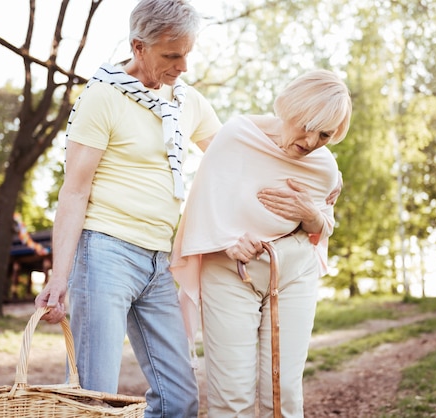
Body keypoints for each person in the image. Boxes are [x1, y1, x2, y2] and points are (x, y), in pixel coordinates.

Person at [34, 0, 222, 416]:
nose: (183, 66)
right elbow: (74, 191)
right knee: (93, 398)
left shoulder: (185, 101)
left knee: (180, 398)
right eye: (172, 56)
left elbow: (231, 156)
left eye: (187, 53)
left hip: (159, 260)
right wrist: (59, 275)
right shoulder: (102, 97)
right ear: (139, 47)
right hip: (105, 253)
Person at [171, 69, 352, 417]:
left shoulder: (325, 166)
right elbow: (203, 206)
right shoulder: (236, 137)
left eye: (325, 135)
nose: (312, 141)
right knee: (231, 395)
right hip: (229, 272)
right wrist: (228, 243)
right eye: (307, 126)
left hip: (294, 272)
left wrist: (311, 214)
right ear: (290, 109)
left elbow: (323, 227)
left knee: (284, 392)